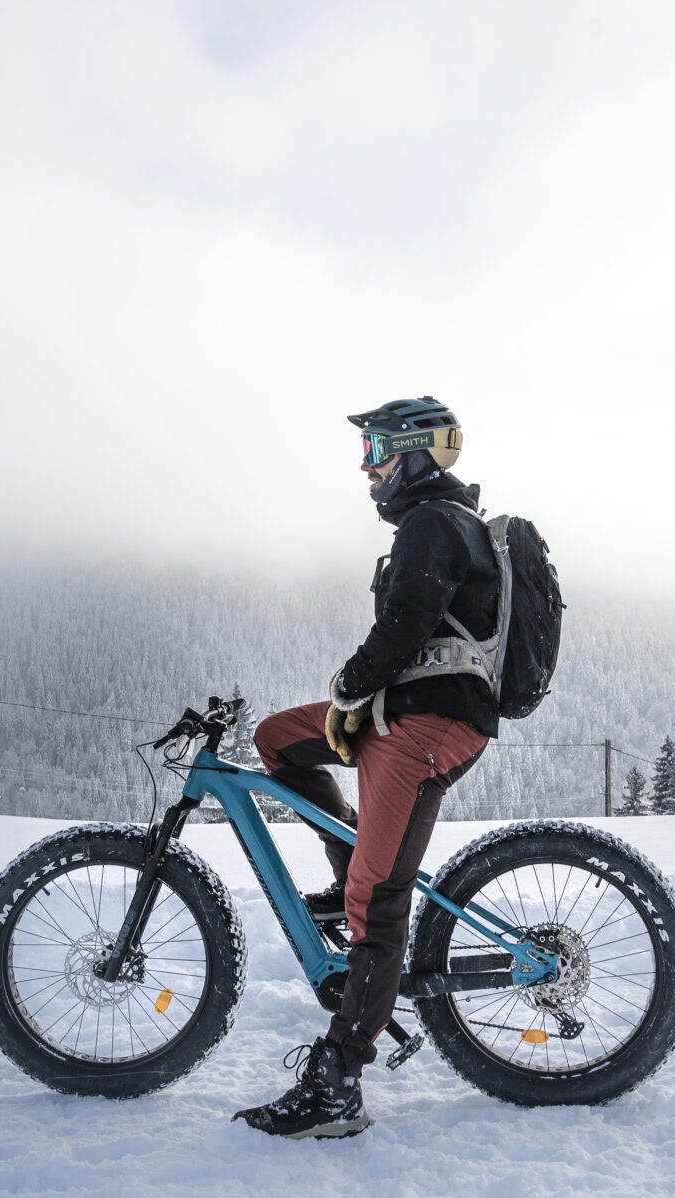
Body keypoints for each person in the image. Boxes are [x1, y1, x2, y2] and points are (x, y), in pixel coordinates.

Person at [233, 397, 501, 1139]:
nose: (367, 468)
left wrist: (352, 687)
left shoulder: (433, 522)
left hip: (425, 727)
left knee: (375, 902)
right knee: (277, 741)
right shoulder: (437, 523)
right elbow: (412, 628)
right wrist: (356, 698)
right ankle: (352, 855)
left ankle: (338, 1084)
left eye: (378, 450)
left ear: (416, 454)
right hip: (400, 711)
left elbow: (406, 621)